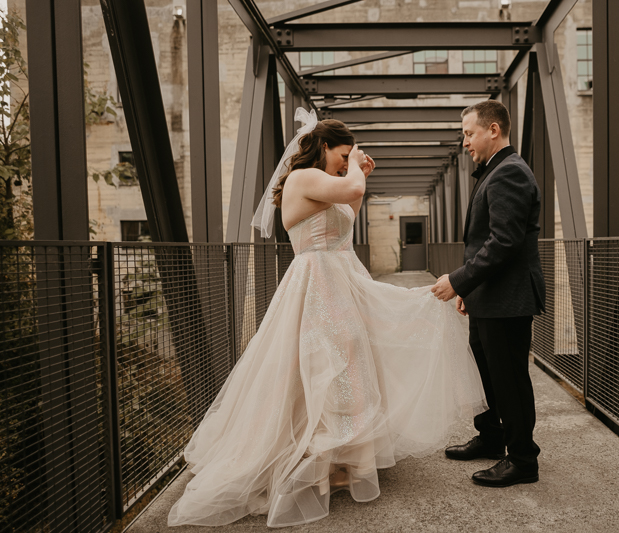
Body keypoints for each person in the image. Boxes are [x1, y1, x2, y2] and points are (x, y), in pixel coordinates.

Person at [167, 109, 486, 528]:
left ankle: (340, 458)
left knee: (349, 362)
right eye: (343, 152)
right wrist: (356, 170)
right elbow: (350, 186)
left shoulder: (324, 184)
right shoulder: (302, 179)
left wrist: (356, 174)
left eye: (349, 155)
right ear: (323, 147)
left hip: (340, 279)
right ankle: (319, 461)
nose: (346, 160)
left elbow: (349, 208)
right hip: (317, 283)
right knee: (326, 365)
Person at [431, 100, 546, 488]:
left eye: (468, 133)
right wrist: (472, 288)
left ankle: (522, 460)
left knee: (508, 379)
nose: (465, 142)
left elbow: (504, 243)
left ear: (493, 130)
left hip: (508, 299)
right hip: (491, 295)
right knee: (487, 374)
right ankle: (493, 437)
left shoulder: (509, 173)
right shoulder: (495, 171)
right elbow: (487, 240)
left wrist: (460, 280)